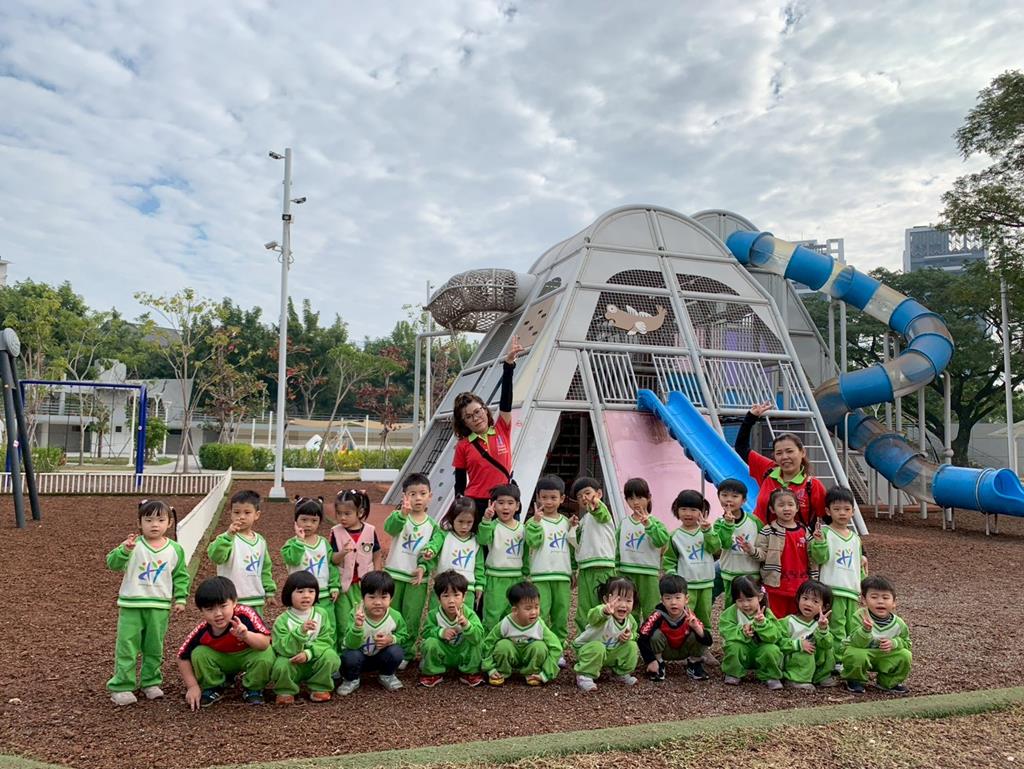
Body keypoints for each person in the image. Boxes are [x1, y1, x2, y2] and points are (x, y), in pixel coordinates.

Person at [106, 499, 189, 705]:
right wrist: (124, 551)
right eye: (149, 520)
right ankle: (122, 685)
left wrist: (181, 597)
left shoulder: (175, 549)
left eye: (160, 520)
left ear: (169, 523)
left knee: (154, 647)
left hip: (159, 607)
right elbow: (112, 563)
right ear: (139, 523)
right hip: (131, 605)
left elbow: (180, 575)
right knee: (127, 646)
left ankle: (150, 682)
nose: (154, 525)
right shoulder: (132, 545)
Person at [452, 336, 525, 518]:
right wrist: (458, 506)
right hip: (477, 503)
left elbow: (506, 401)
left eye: (477, 411)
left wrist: (508, 365)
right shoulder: (463, 445)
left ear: (485, 409)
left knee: (509, 537)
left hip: (504, 501)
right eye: (468, 417)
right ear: (463, 422)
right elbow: (459, 482)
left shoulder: (501, 428)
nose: (476, 418)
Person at [177, 576, 275, 709]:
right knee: (199, 653)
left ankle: (254, 688)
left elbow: (265, 642)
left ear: (234, 602)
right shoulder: (202, 630)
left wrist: (246, 635)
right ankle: (214, 686)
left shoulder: (245, 615)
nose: (218, 613)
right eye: (210, 609)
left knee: (266, 653)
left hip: (248, 655)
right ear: (201, 611)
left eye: (223, 606)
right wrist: (192, 686)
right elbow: (182, 657)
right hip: (223, 659)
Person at [382, 473, 443, 665]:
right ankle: (385, 649)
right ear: (404, 496)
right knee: (390, 613)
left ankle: (406, 653)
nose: (418, 498)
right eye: (412, 494)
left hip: (417, 580)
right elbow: (389, 529)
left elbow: (432, 552)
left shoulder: (433, 526)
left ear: (430, 496)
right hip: (394, 574)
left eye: (422, 493)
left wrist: (424, 566)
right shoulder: (399, 516)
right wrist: (402, 514)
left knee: (412, 616)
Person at [734, 402, 826, 528]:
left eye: (789, 451)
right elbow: (741, 447)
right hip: (760, 538)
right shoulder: (768, 470)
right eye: (779, 453)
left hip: (796, 540)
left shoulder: (812, 485)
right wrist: (750, 417)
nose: (784, 457)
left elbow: (828, 517)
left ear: (802, 452)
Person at [739, 488, 816, 619]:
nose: (786, 508)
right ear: (772, 509)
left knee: (796, 620)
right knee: (775, 619)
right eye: (781, 505)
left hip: (800, 586)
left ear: (797, 507)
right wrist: (751, 550)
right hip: (775, 586)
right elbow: (762, 554)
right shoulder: (768, 530)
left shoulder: (804, 530)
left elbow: (813, 555)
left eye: (790, 504)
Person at [270, 571, 340, 704]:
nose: (306, 596)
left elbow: (326, 640)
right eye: (300, 591)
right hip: (293, 661)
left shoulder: (321, 614)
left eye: (311, 591)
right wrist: (300, 632)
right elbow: (281, 647)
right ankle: (286, 690)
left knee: (331, 656)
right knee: (281, 665)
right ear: (289, 594)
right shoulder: (282, 620)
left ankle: (319, 687)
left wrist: (309, 653)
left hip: (314, 660)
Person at [337, 570, 409, 695]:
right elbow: (349, 644)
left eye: (383, 597)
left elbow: (404, 635)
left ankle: (387, 675)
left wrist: (391, 639)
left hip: (380, 657)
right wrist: (357, 627)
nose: (378, 602)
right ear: (363, 598)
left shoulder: (395, 616)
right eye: (372, 597)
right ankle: (351, 679)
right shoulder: (356, 615)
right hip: (358, 657)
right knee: (350, 656)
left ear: (391, 599)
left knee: (396, 651)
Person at [525, 475, 576, 652]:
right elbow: (533, 542)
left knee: (561, 614)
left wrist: (573, 570)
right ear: (537, 497)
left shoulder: (566, 522)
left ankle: (558, 648)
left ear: (562, 498)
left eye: (553, 497)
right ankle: (539, 646)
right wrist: (536, 523)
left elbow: (572, 548)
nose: (548, 502)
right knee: (541, 612)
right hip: (540, 574)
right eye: (544, 497)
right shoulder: (533, 522)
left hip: (562, 575)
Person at [809, 486, 864, 648]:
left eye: (847, 509)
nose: (842, 513)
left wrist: (863, 586)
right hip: (832, 588)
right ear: (828, 511)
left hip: (852, 590)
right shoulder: (825, 532)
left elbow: (858, 566)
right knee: (836, 624)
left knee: (852, 624)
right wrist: (819, 543)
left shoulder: (855, 538)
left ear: (853, 511)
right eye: (837, 509)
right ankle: (836, 656)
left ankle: (849, 653)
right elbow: (819, 558)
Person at [207, 489, 275, 615]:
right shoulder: (225, 538)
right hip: (230, 601)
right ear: (231, 514)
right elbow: (216, 557)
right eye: (237, 512)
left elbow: (265, 568)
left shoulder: (260, 541)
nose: (241, 516)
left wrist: (269, 590)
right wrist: (228, 536)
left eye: (247, 512)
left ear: (257, 515)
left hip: (256, 600)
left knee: (254, 627)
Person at [329, 489, 381, 653]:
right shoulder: (336, 532)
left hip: (365, 586)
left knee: (364, 618)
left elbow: (376, 554)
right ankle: (344, 653)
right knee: (344, 620)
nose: (342, 518)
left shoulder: (370, 530)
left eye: (347, 513)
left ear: (360, 512)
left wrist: (377, 575)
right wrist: (343, 552)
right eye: (339, 513)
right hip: (344, 587)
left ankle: (364, 652)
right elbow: (333, 559)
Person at [481, 581, 562, 686]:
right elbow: (488, 643)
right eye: (528, 608)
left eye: (536, 607)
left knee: (540, 647)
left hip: (530, 656)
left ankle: (532, 673)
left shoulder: (539, 625)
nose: (534, 612)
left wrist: (547, 673)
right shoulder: (506, 623)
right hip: (511, 654)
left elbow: (556, 647)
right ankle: (501, 671)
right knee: (502, 645)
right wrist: (489, 668)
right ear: (515, 610)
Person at [663, 490, 721, 633]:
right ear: (677, 510)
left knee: (704, 617)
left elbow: (715, 548)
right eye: (683, 509)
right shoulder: (675, 536)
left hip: (706, 583)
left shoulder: (706, 532)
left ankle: (704, 643)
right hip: (686, 585)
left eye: (693, 510)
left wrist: (708, 532)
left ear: (702, 512)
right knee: (685, 617)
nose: (688, 513)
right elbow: (669, 559)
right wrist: (672, 575)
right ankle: (684, 642)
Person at [843, 576, 912, 695]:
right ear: (864, 600)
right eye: (874, 597)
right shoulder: (859, 616)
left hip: (884, 655)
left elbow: (907, 643)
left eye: (885, 597)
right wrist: (865, 630)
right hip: (863, 651)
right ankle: (855, 679)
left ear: (894, 602)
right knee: (855, 654)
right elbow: (855, 642)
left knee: (905, 655)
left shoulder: (899, 623)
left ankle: (888, 682)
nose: (880, 601)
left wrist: (894, 643)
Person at [638, 574, 713, 682]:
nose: (673, 602)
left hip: (684, 649)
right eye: (668, 598)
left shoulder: (689, 616)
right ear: (662, 600)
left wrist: (696, 627)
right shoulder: (657, 616)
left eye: (678, 597)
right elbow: (642, 637)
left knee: (698, 633)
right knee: (655, 635)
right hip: (664, 650)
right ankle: (659, 665)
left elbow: (708, 641)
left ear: (686, 599)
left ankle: (694, 664)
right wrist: (650, 660)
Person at [281, 496, 339, 632]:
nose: (308, 524)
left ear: (319, 522)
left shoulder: (324, 543)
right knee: (302, 626)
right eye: (304, 520)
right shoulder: (291, 543)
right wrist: (300, 541)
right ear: (296, 520)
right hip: (300, 596)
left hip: (323, 595)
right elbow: (293, 560)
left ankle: (328, 646)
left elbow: (331, 565)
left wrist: (334, 585)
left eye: (314, 521)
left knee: (328, 626)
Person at [616, 477, 670, 623]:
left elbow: (662, 541)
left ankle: (650, 635)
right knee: (628, 608)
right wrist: (616, 569)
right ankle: (629, 634)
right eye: (631, 498)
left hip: (648, 573)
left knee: (651, 609)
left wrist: (649, 526)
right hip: (626, 572)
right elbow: (617, 548)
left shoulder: (656, 522)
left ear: (649, 497)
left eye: (640, 497)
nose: (635, 502)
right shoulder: (624, 523)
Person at [419, 570, 486, 688]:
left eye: (456, 595)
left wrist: (467, 625)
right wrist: (440, 632)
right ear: (438, 598)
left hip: (463, 653)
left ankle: (471, 672)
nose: (451, 601)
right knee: (430, 643)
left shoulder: (469, 614)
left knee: (477, 643)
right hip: (444, 652)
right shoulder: (434, 615)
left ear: (464, 596)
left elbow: (479, 635)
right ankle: (432, 672)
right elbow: (425, 632)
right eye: (446, 596)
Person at [573, 576, 640, 692]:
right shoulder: (603, 614)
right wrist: (604, 611)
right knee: (598, 647)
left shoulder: (630, 620)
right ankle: (584, 675)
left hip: (611, 652)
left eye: (628, 600)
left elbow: (634, 633)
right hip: (588, 650)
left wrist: (630, 636)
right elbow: (592, 616)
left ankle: (620, 673)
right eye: (618, 599)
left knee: (632, 646)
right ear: (606, 599)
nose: (623, 605)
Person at [718, 576, 784, 690]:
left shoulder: (766, 613)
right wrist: (742, 632)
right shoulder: (732, 612)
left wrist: (763, 624)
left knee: (772, 649)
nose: (745, 604)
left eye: (749, 599)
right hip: (743, 649)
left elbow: (776, 635)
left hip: (761, 649)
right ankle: (734, 672)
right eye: (740, 600)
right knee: (733, 646)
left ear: (760, 597)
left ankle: (770, 675)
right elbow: (725, 629)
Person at [477, 484, 526, 629]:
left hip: (516, 577)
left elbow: (526, 553)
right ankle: (488, 641)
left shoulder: (522, 528)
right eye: (501, 502)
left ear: (517, 506)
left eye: (510, 503)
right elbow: (482, 540)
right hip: (495, 577)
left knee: (513, 614)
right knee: (492, 615)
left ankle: (508, 640)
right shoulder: (492, 526)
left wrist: (526, 573)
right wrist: (486, 520)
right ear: (493, 505)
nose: (505, 507)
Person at [571, 476, 617, 633]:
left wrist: (596, 504)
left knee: (606, 606)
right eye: (579, 496)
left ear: (599, 494)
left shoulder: (602, 512)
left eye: (587, 493)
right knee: (584, 608)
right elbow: (577, 545)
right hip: (585, 570)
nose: (584, 498)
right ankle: (583, 641)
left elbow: (600, 512)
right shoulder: (584, 520)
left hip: (603, 568)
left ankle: (607, 638)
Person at [428, 496, 484, 613]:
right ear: (452, 519)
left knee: (464, 618)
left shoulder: (476, 541)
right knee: (436, 616)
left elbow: (479, 567)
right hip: (443, 587)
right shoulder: (444, 535)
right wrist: (430, 550)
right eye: (460, 521)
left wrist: (480, 585)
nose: (464, 526)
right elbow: (434, 544)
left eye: (469, 522)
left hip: (467, 590)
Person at [712, 478, 761, 608]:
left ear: (744, 500)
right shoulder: (719, 523)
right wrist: (728, 525)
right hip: (730, 572)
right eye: (724, 495)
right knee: (731, 606)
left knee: (751, 606)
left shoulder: (754, 521)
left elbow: (763, 542)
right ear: (718, 497)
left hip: (751, 572)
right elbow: (724, 544)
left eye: (735, 496)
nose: (729, 500)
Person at [781, 579, 836, 690]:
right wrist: (798, 645)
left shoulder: (818, 624)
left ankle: (820, 676)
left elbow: (827, 644)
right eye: (805, 598)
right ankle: (796, 679)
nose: (808, 604)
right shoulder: (789, 621)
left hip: (813, 658)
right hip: (793, 656)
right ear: (798, 599)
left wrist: (823, 629)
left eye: (815, 601)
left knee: (828, 649)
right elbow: (779, 641)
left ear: (824, 607)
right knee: (805, 651)